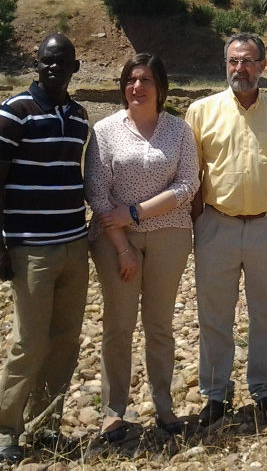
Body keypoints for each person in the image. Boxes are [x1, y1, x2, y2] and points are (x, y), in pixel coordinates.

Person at [0, 34, 90, 464]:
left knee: (65, 340)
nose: (54, 67)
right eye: (47, 60)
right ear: (36, 62)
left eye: (62, 61)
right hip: (31, 249)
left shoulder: (79, 116)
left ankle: (46, 426)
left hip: (74, 243)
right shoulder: (11, 112)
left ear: (74, 67)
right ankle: (4, 430)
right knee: (29, 341)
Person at [84, 53, 199, 441]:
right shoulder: (104, 131)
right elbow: (96, 191)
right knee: (118, 325)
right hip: (116, 241)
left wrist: (135, 212)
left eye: (146, 80)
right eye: (131, 80)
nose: (137, 87)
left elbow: (187, 185)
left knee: (160, 325)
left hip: (170, 234)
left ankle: (164, 407)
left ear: (160, 87)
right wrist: (122, 245)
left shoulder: (180, 131)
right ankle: (113, 411)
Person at [185, 33, 267, 425]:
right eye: (234, 61)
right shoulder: (201, 112)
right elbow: (193, 175)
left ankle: (265, 391)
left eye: (248, 61)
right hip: (218, 227)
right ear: (226, 65)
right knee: (215, 316)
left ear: (263, 66)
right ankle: (216, 395)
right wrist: (200, 222)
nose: (241, 69)